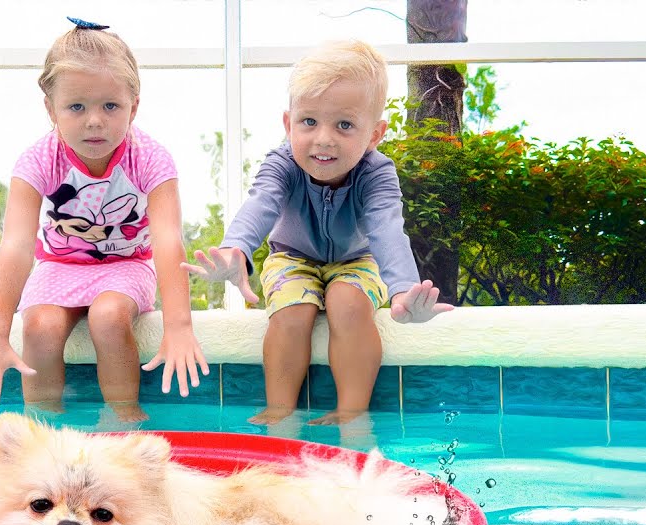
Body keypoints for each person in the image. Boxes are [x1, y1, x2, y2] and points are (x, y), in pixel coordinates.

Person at [184, 40, 453, 425]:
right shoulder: (282, 164)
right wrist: (235, 250)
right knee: (292, 309)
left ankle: (352, 412)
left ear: (374, 134)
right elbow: (261, 203)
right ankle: (280, 409)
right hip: (291, 256)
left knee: (348, 303)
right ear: (287, 123)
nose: (323, 138)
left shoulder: (377, 173)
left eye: (344, 125)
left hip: (357, 259)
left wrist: (403, 292)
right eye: (308, 122)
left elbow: (386, 230)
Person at [0, 18, 207, 422]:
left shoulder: (151, 158)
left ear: (134, 106)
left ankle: (124, 422)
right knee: (38, 325)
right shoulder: (37, 160)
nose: (94, 120)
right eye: (76, 106)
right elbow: (17, 247)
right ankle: (41, 427)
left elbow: (167, 240)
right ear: (50, 108)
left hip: (127, 265)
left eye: (111, 106)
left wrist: (179, 327)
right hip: (59, 265)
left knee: (108, 317)